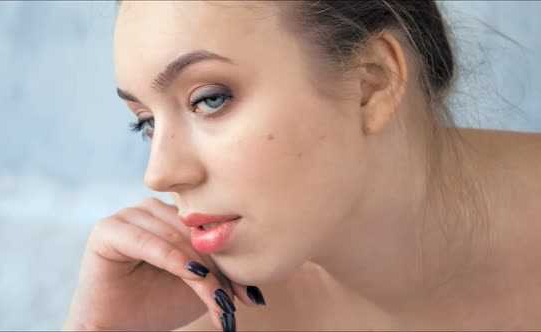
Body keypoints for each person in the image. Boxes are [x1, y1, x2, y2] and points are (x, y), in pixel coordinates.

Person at [62, 1, 541, 330]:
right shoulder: (206, 308)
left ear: (370, 84)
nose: (159, 174)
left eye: (209, 99)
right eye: (144, 122)